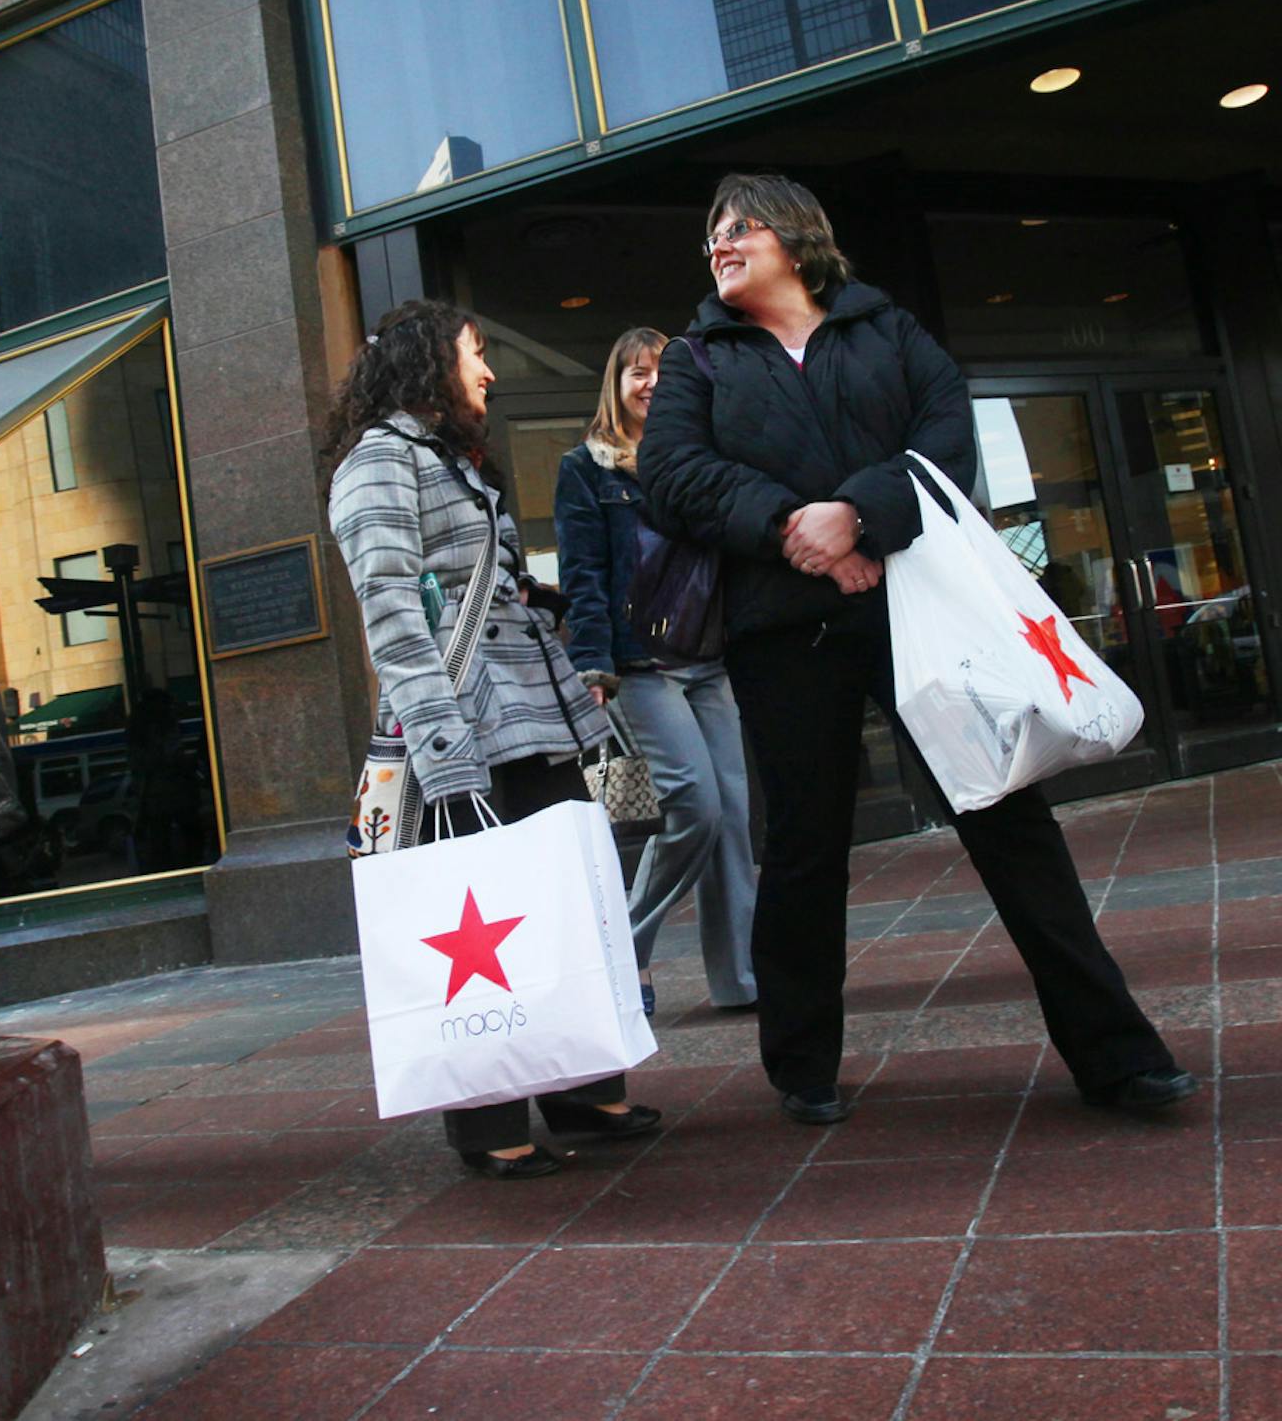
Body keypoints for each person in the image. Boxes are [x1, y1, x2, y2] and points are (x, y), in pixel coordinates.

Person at [638, 173, 1194, 1125]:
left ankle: (1118, 1054)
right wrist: (794, 531)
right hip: (787, 631)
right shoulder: (698, 359)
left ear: (797, 235)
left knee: (1011, 822)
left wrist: (858, 517)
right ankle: (801, 1065)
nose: (720, 245)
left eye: (739, 227)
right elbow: (674, 476)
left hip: (923, 614)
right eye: (711, 235)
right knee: (807, 847)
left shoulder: (886, 330)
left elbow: (944, 441)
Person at [326, 299, 658, 1179]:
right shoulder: (378, 461)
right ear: (430, 360)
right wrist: (443, 754)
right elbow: (393, 618)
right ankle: (491, 1124)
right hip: (462, 729)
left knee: (553, 910)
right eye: (477, 352)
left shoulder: (450, 458)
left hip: (533, 717)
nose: (489, 371)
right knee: (477, 924)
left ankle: (583, 1089)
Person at [553, 327, 757, 1019]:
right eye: (636, 372)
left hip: (709, 657)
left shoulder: (693, 457)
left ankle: (742, 978)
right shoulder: (586, 467)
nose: (650, 384)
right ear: (616, 383)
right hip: (641, 664)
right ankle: (622, 946)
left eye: (663, 372)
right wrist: (592, 661)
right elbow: (582, 571)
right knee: (694, 804)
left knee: (732, 814)